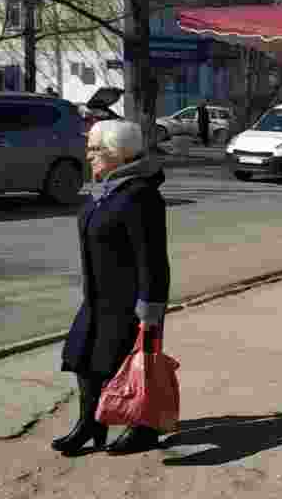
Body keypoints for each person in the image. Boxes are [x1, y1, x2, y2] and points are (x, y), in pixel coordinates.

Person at [56, 120, 170, 456]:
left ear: (117, 154)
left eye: (95, 149)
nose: (88, 155)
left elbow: (152, 258)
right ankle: (91, 424)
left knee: (137, 366)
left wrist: (150, 309)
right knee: (82, 356)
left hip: (131, 301)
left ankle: (144, 428)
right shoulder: (105, 190)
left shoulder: (140, 195)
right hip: (98, 297)